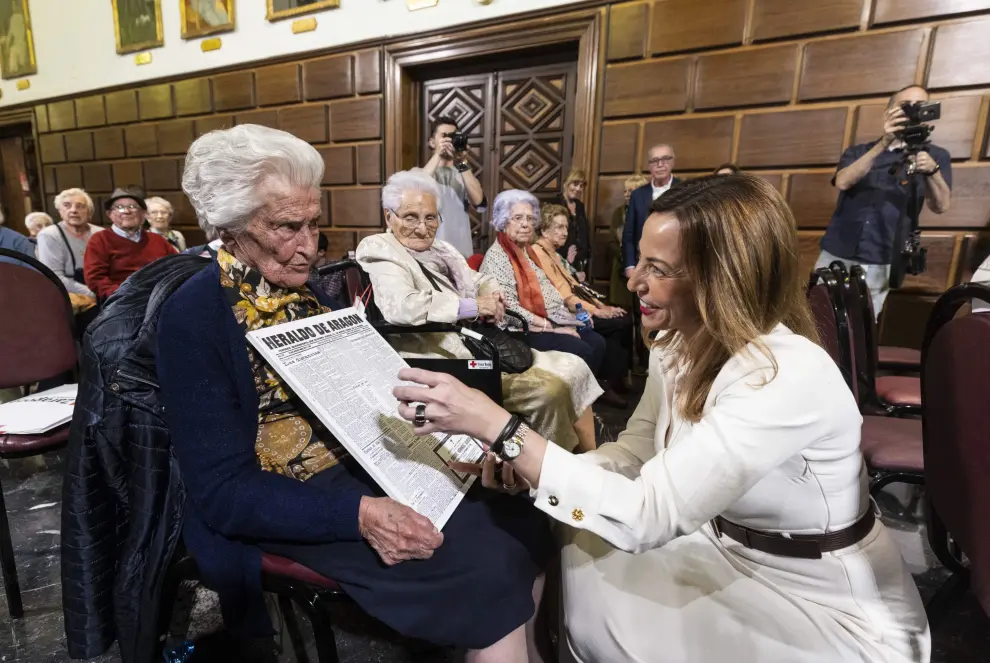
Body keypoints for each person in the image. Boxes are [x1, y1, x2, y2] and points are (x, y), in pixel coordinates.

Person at [395, 174, 930, 663]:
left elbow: (648, 513)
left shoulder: (783, 374)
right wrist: (531, 463)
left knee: (589, 572)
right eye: (640, 261)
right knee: (566, 535)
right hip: (722, 546)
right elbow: (635, 450)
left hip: (813, 596)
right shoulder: (678, 342)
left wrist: (501, 428)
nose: (633, 283)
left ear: (721, 278)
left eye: (658, 268)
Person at [157, 125, 553, 662]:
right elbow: (223, 491)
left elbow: (367, 388)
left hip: (363, 460)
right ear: (231, 225)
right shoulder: (195, 315)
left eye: (314, 223)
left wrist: (453, 439)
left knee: (523, 517)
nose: (309, 247)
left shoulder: (304, 289)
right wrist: (360, 515)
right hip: (288, 498)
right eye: (286, 227)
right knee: (480, 573)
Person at [357, 170, 603, 452]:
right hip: (441, 356)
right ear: (389, 217)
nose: (423, 228)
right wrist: (473, 306)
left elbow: (479, 279)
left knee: (577, 366)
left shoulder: (441, 248)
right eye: (411, 217)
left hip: (476, 341)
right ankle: (545, 471)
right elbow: (402, 306)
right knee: (551, 389)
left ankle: (587, 460)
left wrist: (493, 296)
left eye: (431, 217)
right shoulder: (379, 247)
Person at [817, 84, 952, 319]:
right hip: (837, 250)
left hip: (882, 257)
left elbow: (941, 206)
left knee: (860, 327)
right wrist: (883, 143)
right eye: (905, 107)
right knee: (817, 315)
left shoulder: (936, 156)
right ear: (888, 113)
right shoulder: (860, 151)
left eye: (919, 107)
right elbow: (843, 182)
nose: (912, 113)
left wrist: (933, 171)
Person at [479, 190, 621, 405]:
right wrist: (552, 327)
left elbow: (549, 293)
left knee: (595, 339)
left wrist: (575, 316)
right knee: (583, 348)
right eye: (518, 218)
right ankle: (569, 407)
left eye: (529, 218)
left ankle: (581, 404)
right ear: (502, 222)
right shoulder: (497, 257)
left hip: (538, 321)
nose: (526, 224)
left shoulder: (527, 252)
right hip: (515, 330)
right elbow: (510, 311)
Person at [533, 203, 632, 402]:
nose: (565, 232)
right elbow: (563, 293)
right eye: (559, 227)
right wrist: (596, 311)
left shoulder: (554, 253)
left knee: (622, 320)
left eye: (566, 227)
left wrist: (601, 306)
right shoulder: (539, 252)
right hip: (562, 311)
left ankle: (612, 380)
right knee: (617, 325)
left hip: (576, 304)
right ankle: (606, 383)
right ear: (544, 230)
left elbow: (577, 286)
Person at [623, 144, 679, 371]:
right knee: (645, 315)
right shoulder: (639, 195)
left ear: (673, 161)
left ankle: (668, 361)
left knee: (671, 315)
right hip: (641, 265)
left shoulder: (685, 191)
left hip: (673, 269)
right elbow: (628, 234)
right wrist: (630, 266)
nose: (660, 164)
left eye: (665, 159)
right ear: (649, 166)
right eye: (655, 161)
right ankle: (646, 363)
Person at [84, 188, 177, 300]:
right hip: (120, 302)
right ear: (110, 214)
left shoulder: (158, 240)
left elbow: (178, 265)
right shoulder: (99, 240)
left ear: (143, 214)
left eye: (132, 207)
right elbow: (95, 279)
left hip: (160, 299)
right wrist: (124, 296)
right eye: (119, 207)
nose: (127, 211)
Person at [422, 115, 486, 258]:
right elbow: (419, 186)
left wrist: (462, 161)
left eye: (453, 136)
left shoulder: (464, 173)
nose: (449, 140)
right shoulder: (423, 173)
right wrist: (438, 154)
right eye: (444, 136)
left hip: (462, 255)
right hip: (432, 256)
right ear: (432, 142)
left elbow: (479, 203)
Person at [37, 188, 103, 299]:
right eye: (67, 205)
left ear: (89, 212)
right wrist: (94, 294)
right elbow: (54, 276)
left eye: (80, 206)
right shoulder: (50, 235)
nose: (73, 210)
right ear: (60, 212)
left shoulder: (101, 234)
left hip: (103, 292)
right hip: (69, 297)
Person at [608, 175, 647, 310]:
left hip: (644, 269)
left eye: (631, 191)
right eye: (625, 191)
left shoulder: (650, 212)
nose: (626, 194)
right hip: (621, 269)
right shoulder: (618, 213)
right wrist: (627, 260)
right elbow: (612, 241)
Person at [552, 168, 590, 281]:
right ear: (566, 183)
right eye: (575, 184)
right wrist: (566, 257)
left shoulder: (580, 206)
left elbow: (583, 233)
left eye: (581, 185)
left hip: (579, 261)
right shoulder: (555, 203)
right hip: (559, 259)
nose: (578, 188)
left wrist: (582, 256)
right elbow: (550, 233)